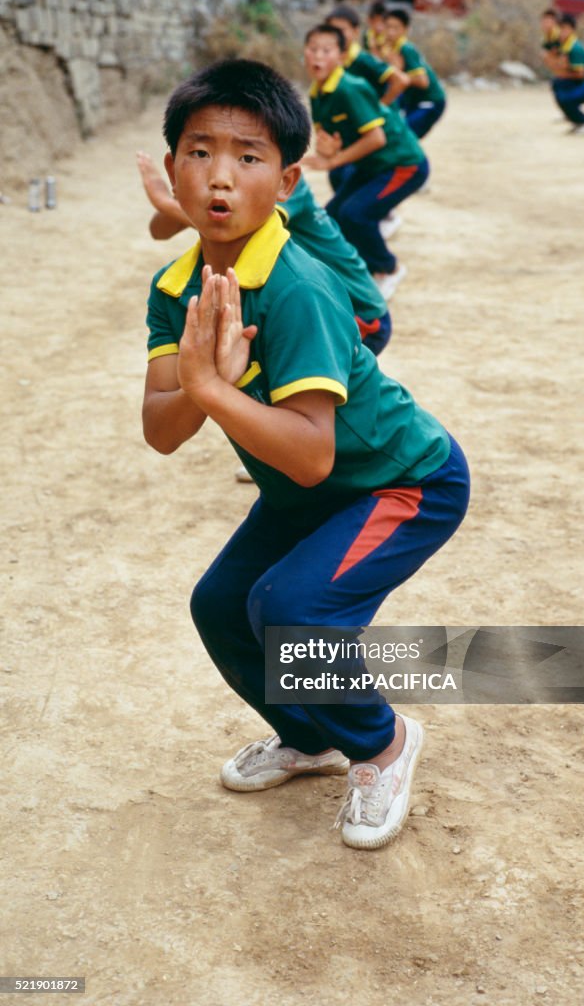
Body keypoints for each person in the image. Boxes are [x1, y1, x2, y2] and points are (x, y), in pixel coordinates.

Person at [142, 57, 470, 850]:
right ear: (170, 171)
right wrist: (198, 385)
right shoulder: (175, 285)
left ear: (286, 180)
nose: (220, 177)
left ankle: (381, 744)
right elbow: (160, 427)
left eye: (248, 157)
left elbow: (316, 455)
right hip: (305, 492)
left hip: (401, 483)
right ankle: (310, 735)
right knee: (220, 607)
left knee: (291, 610)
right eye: (199, 151)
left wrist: (216, 391)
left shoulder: (298, 287)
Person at [137, 154, 392, 356]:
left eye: (247, 155)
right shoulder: (222, 177)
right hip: (307, 308)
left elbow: (240, 228)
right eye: (202, 151)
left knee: (314, 410)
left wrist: (164, 200)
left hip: (357, 312)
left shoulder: (278, 180)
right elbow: (159, 231)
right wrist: (178, 195)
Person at [303, 24, 429, 300]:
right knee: (333, 214)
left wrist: (335, 160)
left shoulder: (350, 87)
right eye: (312, 49)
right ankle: (351, 274)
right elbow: (329, 142)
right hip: (373, 166)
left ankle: (388, 268)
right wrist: (327, 153)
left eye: (326, 50)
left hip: (402, 164)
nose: (318, 57)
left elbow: (376, 139)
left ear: (341, 55)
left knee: (356, 214)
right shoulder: (317, 92)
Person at [382, 8, 446, 139]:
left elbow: (422, 81)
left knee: (405, 139)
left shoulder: (406, 49)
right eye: (388, 27)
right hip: (414, 103)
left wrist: (399, 74)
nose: (390, 32)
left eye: (396, 28)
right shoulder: (391, 49)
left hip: (429, 102)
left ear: (405, 30)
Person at [326, 5, 408, 106]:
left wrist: (379, 108)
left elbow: (401, 80)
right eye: (331, 30)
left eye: (342, 30)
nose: (336, 35)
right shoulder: (333, 61)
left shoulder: (363, 59)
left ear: (355, 31)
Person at [550, 14, 584, 135]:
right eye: (560, 28)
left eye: (566, 29)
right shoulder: (565, 45)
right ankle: (573, 118)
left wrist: (563, 74)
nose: (562, 32)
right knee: (557, 84)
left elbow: (581, 74)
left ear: (572, 30)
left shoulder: (575, 47)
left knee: (566, 98)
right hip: (583, 81)